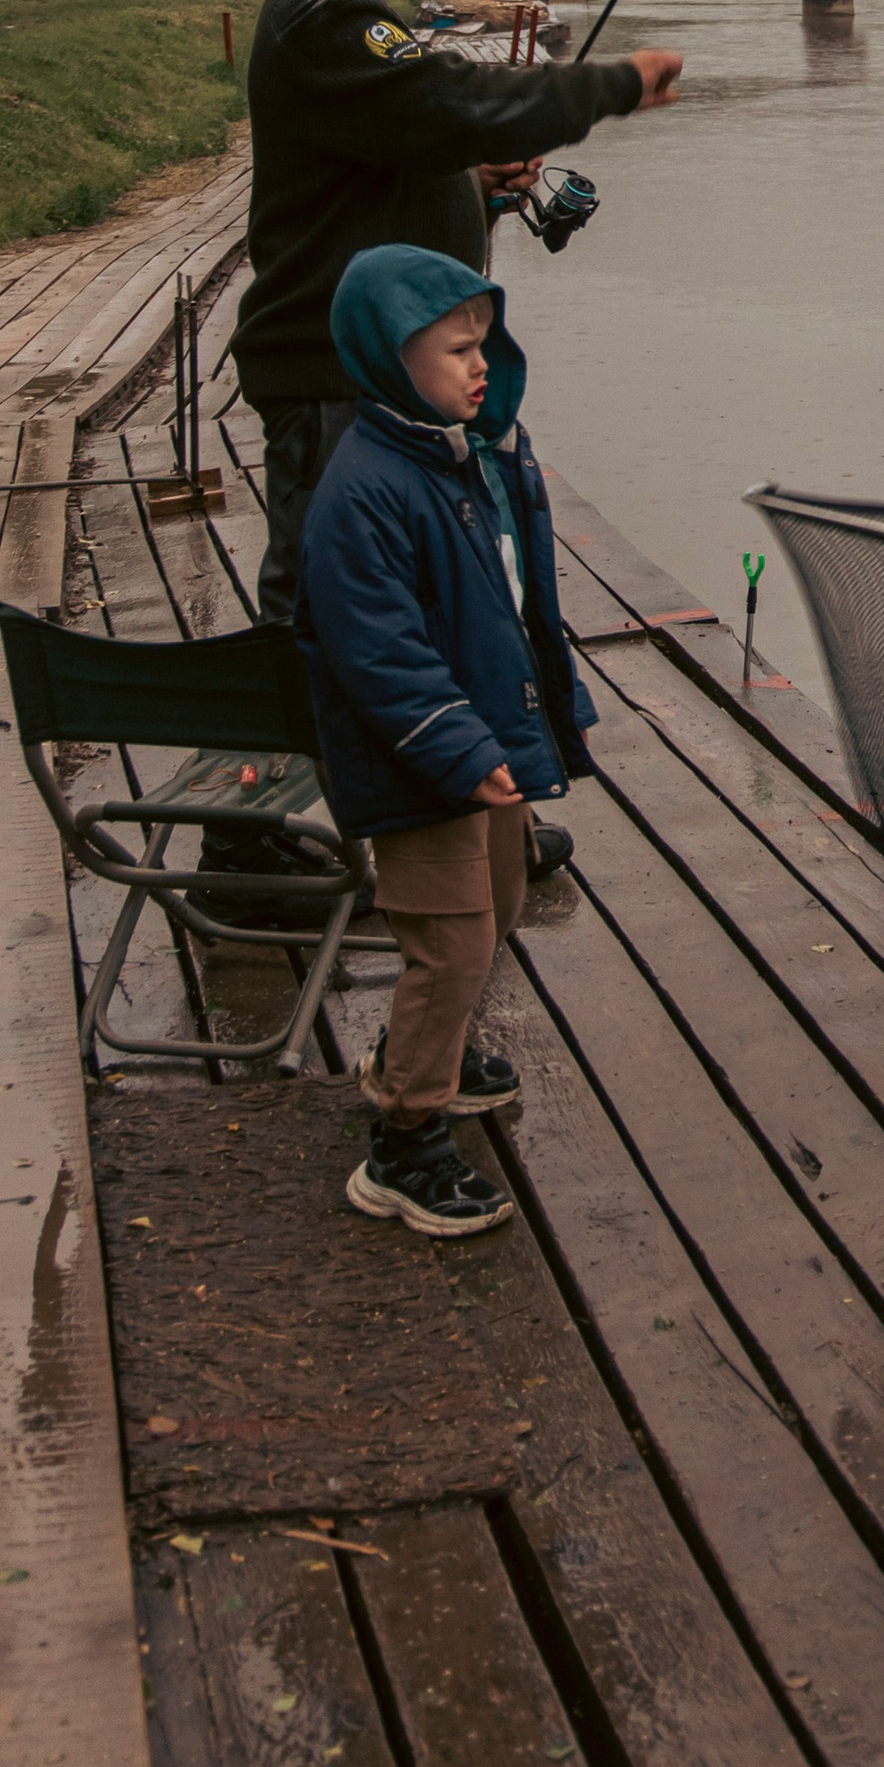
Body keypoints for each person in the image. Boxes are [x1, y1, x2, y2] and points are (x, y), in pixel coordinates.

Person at [233, 0, 682, 620]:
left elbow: (391, 151)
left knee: (393, 608)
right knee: (329, 617)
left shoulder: (338, 14)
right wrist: (610, 85)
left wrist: (472, 184)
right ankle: (298, 713)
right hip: (334, 385)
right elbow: (446, 102)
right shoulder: (324, 21)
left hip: (373, 383)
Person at [297, 243, 594, 1236]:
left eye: (484, 344)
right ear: (391, 358)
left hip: (480, 746)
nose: (480, 365)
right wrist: (460, 747)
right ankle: (403, 1141)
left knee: (500, 901)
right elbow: (381, 653)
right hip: (418, 762)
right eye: (457, 349)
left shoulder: (464, 456)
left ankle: (432, 1051)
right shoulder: (366, 489)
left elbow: (508, 600)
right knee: (451, 942)